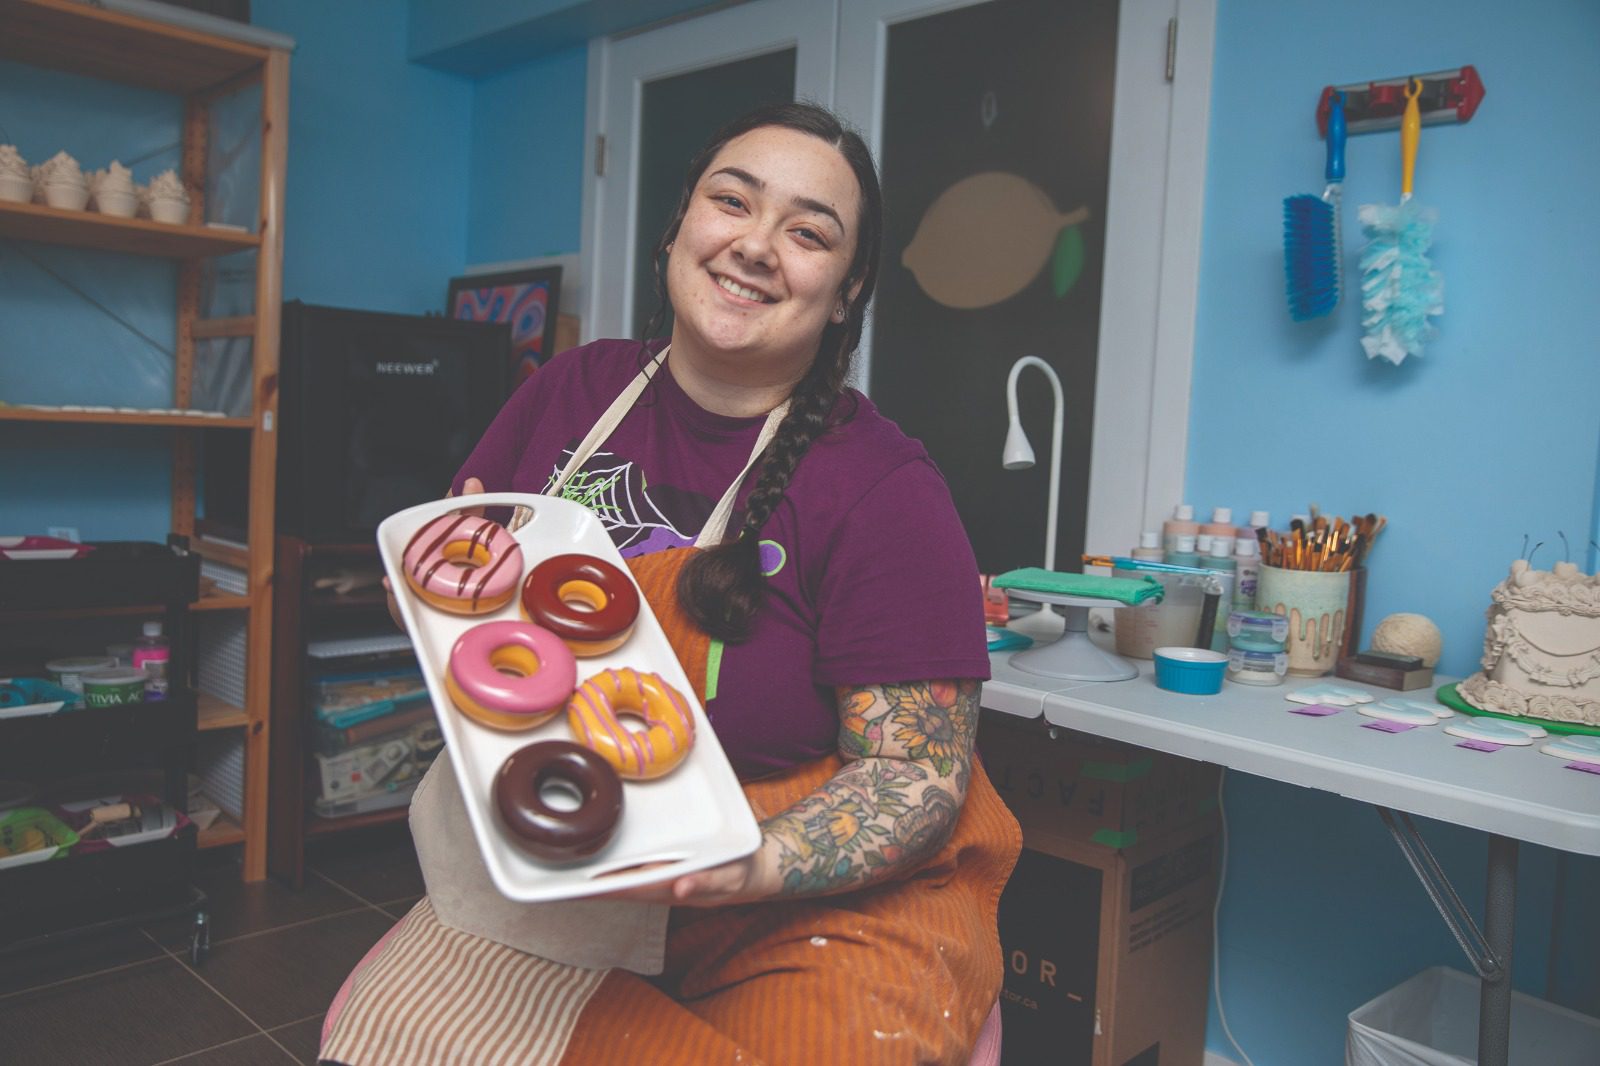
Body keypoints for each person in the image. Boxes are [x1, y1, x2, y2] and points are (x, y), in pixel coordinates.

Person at [321, 102, 1021, 1066]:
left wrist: (748, 863)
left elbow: (914, 774)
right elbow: (467, 609)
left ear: (848, 286)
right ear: (679, 227)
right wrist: (441, 594)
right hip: (571, 863)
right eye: (731, 201)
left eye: (808, 232)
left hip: (799, 905)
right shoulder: (572, 388)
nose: (756, 245)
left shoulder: (885, 490)